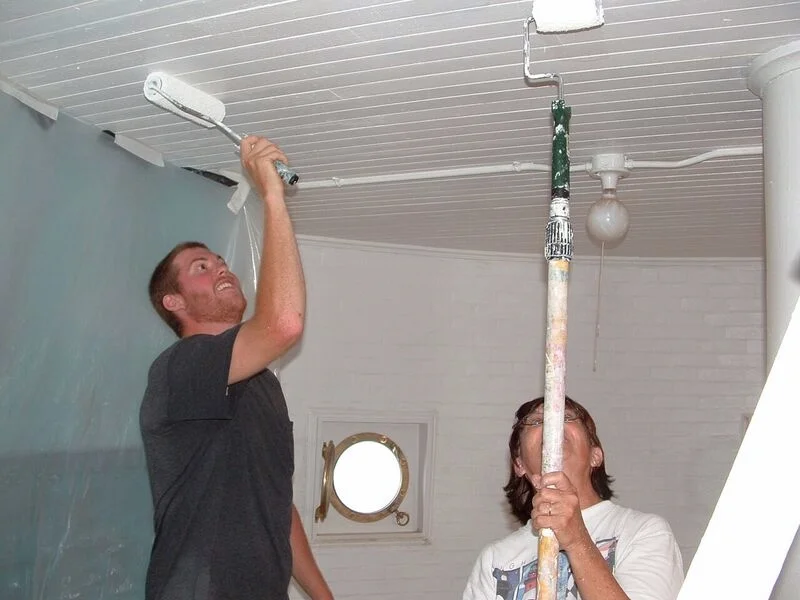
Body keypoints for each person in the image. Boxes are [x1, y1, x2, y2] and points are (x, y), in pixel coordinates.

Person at [140, 136, 333, 600]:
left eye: (222, 261)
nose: (222, 268)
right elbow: (284, 322)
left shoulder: (262, 382)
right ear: (174, 301)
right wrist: (271, 196)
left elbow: (276, 507)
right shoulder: (181, 368)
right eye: (201, 267)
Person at [463, 396, 683, 600]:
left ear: (596, 456)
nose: (552, 424)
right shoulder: (496, 559)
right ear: (519, 464)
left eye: (566, 417)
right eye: (536, 422)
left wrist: (577, 540)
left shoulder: (643, 532)